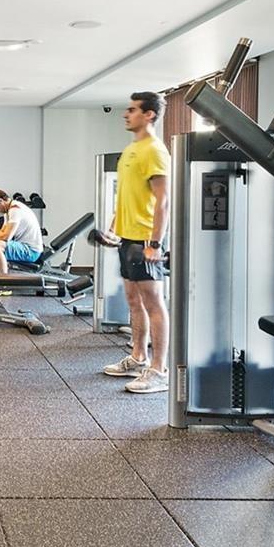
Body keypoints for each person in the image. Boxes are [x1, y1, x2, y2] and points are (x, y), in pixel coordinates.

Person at [100, 91, 172, 394]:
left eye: (132, 110)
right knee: (133, 300)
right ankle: (138, 356)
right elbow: (126, 195)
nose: (125, 114)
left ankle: (159, 370)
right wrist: (113, 228)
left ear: (149, 114)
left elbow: (163, 200)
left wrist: (155, 243)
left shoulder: (154, 150)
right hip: (127, 237)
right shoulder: (131, 149)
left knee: (154, 303)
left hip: (144, 238)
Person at [0, 189, 44, 274]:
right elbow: (2, 232)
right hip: (23, 246)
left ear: (1, 201)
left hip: (32, 251)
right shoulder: (8, 211)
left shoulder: (15, 210)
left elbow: (6, 236)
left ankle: (4, 279)